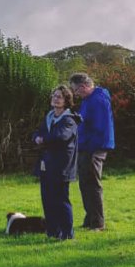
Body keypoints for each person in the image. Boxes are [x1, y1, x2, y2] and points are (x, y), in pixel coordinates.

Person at [33, 85, 80, 241]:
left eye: (59, 96)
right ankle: (53, 232)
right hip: (46, 164)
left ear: (66, 100)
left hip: (62, 166)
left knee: (61, 200)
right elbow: (38, 132)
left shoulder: (70, 119)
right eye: (54, 95)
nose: (55, 98)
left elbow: (61, 137)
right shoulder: (49, 117)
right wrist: (37, 138)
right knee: (47, 199)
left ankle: (67, 234)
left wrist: (43, 140)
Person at [69, 73, 115, 231]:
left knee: (92, 184)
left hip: (95, 147)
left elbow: (100, 127)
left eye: (76, 90)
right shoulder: (88, 100)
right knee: (85, 184)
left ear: (83, 86)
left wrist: (88, 144)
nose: (75, 94)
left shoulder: (98, 100)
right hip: (86, 147)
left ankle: (98, 223)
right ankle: (90, 219)